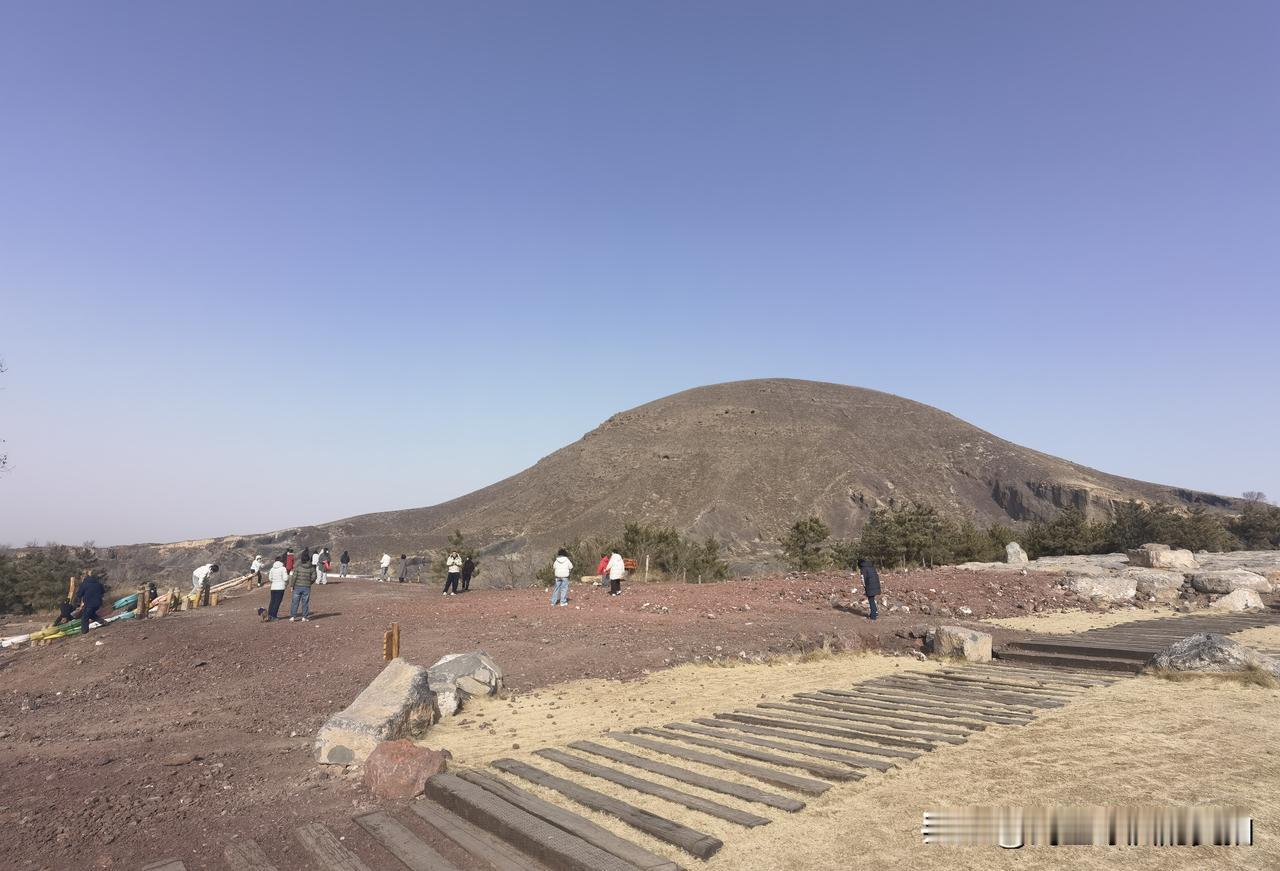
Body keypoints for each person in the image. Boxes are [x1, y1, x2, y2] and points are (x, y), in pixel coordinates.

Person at [290, 547, 317, 622]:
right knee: (305, 602)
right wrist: (310, 582)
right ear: (308, 559)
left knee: (295, 602)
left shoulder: (298, 567)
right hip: (307, 587)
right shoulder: (311, 567)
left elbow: (294, 576)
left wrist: (292, 585)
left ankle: (293, 616)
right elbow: (314, 576)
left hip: (297, 586)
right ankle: (304, 617)